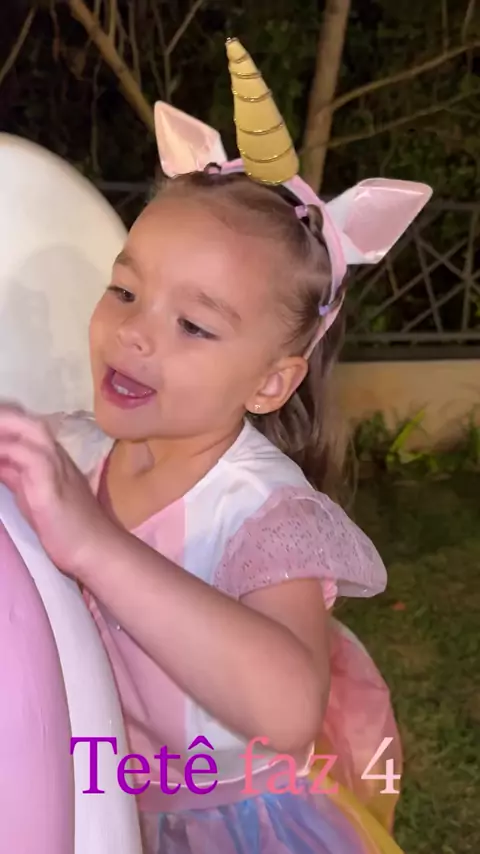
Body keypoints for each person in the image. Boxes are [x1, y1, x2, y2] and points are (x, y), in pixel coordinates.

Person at [0, 38, 430, 854]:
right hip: (106, 803)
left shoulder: (265, 513)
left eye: (193, 325)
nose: (134, 332)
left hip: (237, 826)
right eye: (124, 289)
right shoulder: (74, 452)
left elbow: (288, 709)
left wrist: (94, 545)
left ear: (271, 382)